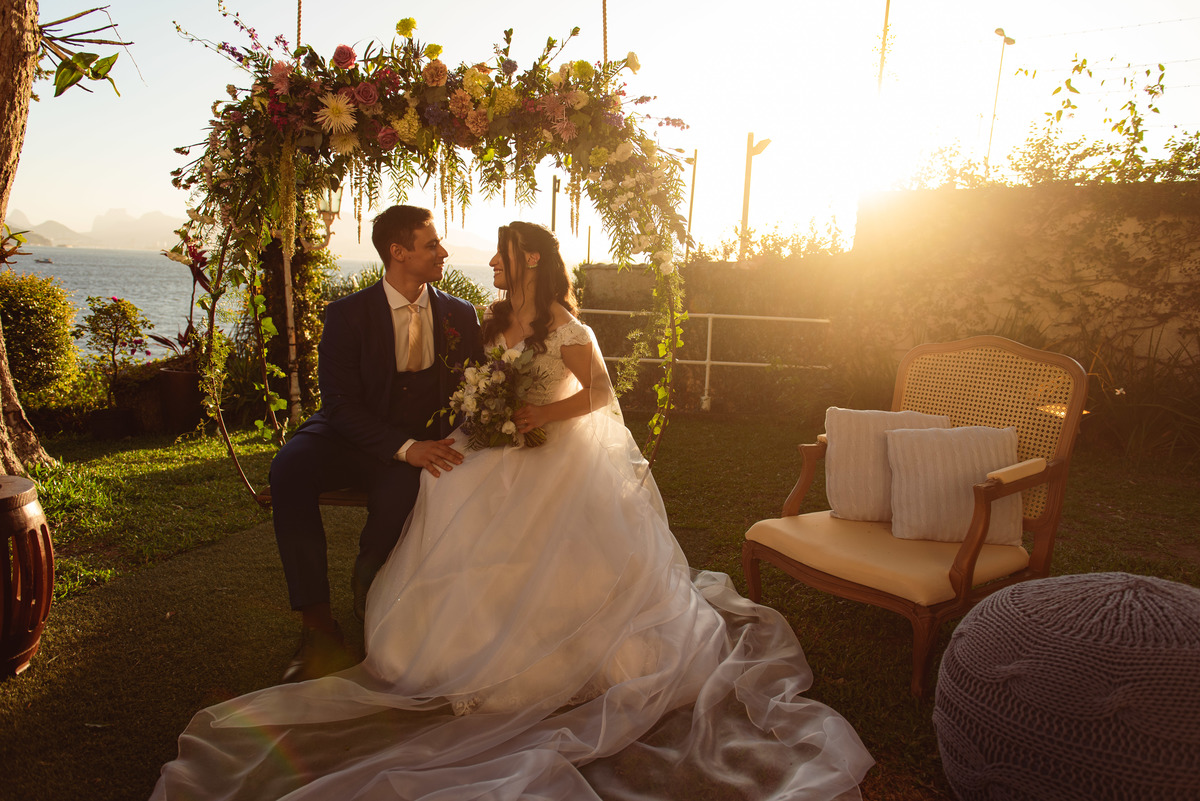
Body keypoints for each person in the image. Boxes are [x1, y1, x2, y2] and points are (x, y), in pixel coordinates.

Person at [151, 222, 873, 800]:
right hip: (483, 440)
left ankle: (533, 648)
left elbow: (599, 395)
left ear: (527, 260)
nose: (486, 262)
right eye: (474, 252)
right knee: (443, 486)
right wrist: (478, 417)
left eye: (499, 254)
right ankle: (404, 627)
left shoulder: (565, 325)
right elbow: (456, 384)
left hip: (550, 449)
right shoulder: (487, 319)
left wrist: (538, 414)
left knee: (519, 523)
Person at [267, 205, 483, 683]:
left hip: (418, 442)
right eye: (432, 244)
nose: (443, 253)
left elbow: (473, 387)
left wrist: (439, 442)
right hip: (347, 435)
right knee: (289, 470)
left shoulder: (459, 314)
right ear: (398, 252)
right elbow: (340, 405)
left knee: (400, 497)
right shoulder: (347, 314)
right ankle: (317, 626)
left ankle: (370, 596)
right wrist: (405, 447)